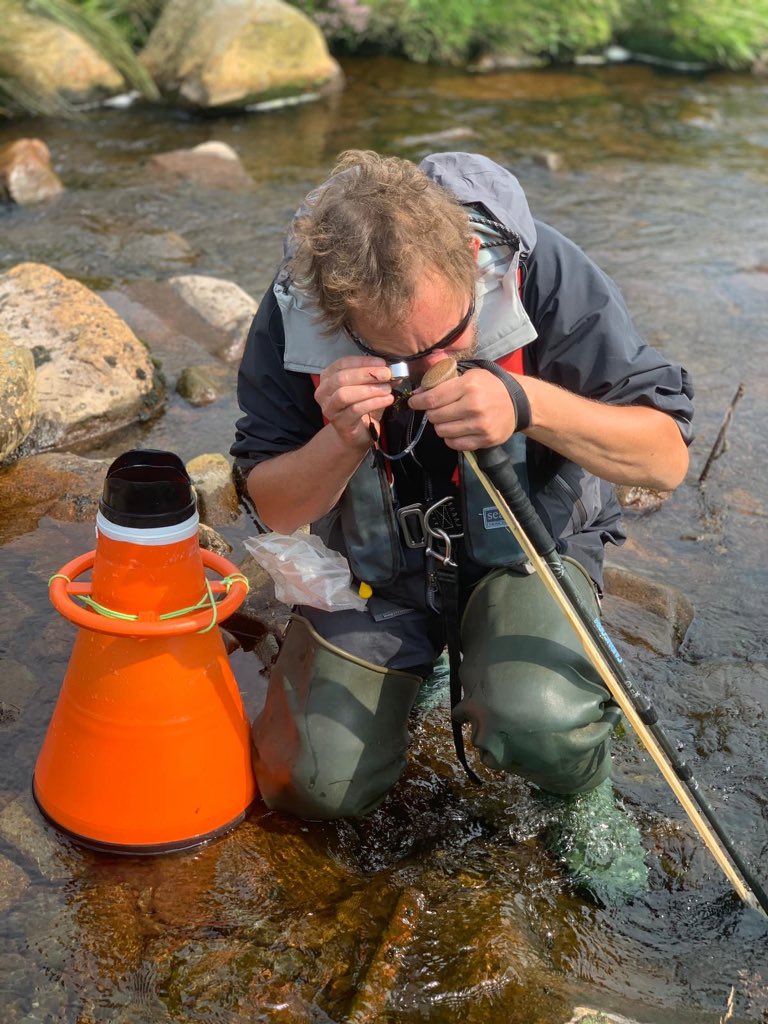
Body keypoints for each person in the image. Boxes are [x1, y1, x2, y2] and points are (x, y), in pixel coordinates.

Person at [231, 150, 694, 826]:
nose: (432, 370)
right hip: (376, 571)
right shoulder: (295, 309)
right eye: (400, 358)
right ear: (338, 313)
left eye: (450, 337)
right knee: (308, 784)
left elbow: (665, 461)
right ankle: (427, 663)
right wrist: (338, 440)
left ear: (474, 256)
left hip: (527, 544)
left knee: (539, 722)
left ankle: (581, 796)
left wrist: (526, 402)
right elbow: (273, 506)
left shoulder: (545, 275)